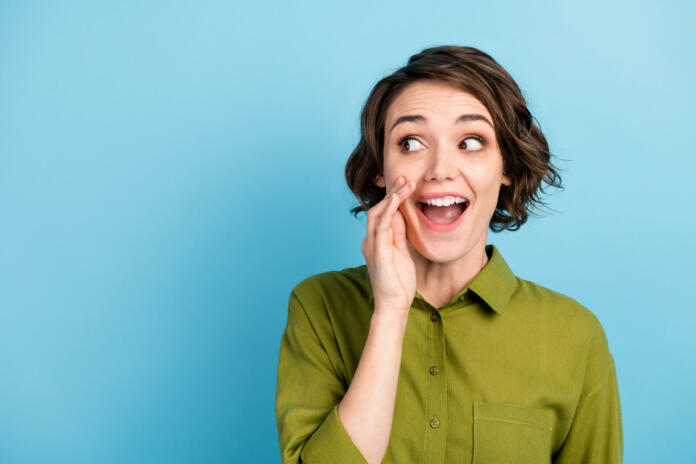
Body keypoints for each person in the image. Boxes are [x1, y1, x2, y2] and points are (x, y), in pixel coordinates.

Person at [275, 45, 623, 464]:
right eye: (411, 142)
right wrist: (390, 310)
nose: (441, 167)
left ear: (506, 166)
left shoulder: (575, 335)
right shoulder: (320, 307)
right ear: (380, 170)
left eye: (471, 141)